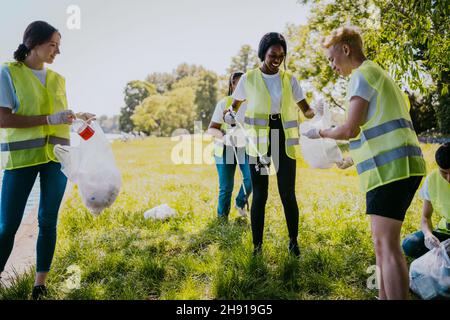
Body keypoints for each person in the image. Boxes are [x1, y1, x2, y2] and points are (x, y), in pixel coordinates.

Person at [303, 26, 427, 299]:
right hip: (395, 170)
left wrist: (320, 132)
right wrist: (349, 158)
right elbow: (373, 127)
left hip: (391, 172)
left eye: (332, 59)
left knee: (387, 245)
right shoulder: (375, 73)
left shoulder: (361, 76)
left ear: (346, 49)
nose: (332, 65)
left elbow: (350, 129)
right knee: (381, 244)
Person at [0, 21, 94, 300]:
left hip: (57, 158)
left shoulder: (58, 79)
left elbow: (58, 117)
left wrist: (77, 117)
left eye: (59, 46)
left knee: (48, 220)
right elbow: (3, 118)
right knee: (8, 225)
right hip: (22, 159)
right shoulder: (8, 73)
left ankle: (40, 285)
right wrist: (47, 119)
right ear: (33, 43)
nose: (57, 51)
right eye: (52, 44)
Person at [224, 32, 315, 256]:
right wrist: (229, 115)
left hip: (283, 141)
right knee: (260, 195)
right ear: (263, 53)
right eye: (272, 55)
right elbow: (233, 108)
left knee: (288, 193)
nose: (277, 60)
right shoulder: (248, 78)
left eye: (281, 56)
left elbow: (306, 109)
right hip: (259, 144)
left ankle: (293, 242)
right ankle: (257, 247)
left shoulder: (289, 79)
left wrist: (317, 111)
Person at [207, 71, 252, 220]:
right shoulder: (225, 103)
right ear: (232, 85)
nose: (240, 87)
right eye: (236, 83)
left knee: (251, 178)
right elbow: (212, 129)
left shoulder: (253, 104)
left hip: (246, 147)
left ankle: (240, 203)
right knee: (226, 187)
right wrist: (225, 137)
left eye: (243, 84)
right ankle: (222, 218)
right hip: (225, 147)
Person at [402, 143, 450, 258]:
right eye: (444, 172)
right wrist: (428, 234)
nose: (449, 178)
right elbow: (425, 217)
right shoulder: (432, 180)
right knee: (410, 244)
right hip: (445, 233)